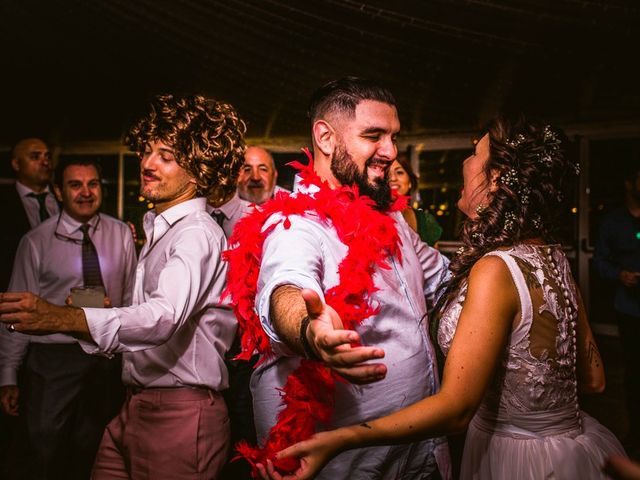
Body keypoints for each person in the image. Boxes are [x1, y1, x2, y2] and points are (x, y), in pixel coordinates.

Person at [257, 115, 627, 480]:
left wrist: (343, 438)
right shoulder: (552, 256)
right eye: (375, 135)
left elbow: (457, 408)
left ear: (495, 177)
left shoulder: (495, 269)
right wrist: (309, 329)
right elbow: (594, 378)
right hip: (573, 448)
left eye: (473, 153)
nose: (465, 163)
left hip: (516, 458)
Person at [0, 93, 246, 479]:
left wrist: (62, 317)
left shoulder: (196, 234)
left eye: (166, 156)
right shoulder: (162, 231)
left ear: (198, 169)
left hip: (178, 414)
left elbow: (163, 318)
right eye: (147, 151)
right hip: (135, 407)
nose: (147, 164)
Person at [224, 77, 451, 479]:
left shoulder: (393, 218)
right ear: (326, 138)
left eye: (394, 137)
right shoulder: (295, 224)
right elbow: (285, 290)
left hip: (422, 450)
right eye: (373, 136)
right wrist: (312, 334)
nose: (391, 151)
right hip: (350, 465)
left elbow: (442, 280)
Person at [0, 157, 136, 479]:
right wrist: (7, 374)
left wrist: (131, 362)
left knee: (99, 448)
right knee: (44, 448)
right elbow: (16, 312)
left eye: (92, 184)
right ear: (58, 192)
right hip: (53, 359)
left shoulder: (121, 234)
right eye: (75, 185)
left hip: (107, 356)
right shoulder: (36, 242)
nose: (86, 192)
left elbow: (132, 299)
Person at [594, 164, 640, 454]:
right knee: (634, 372)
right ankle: (636, 433)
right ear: (629, 183)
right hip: (630, 310)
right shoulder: (613, 221)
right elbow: (600, 261)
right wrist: (619, 275)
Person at [0, 137, 59, 291]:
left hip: (64, 295)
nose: (45, 162)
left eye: (47, 156)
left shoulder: (65, 199)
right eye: (35, 157)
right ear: (16, 164)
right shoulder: (4, 203)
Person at [388, 153, 443, 246]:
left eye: (399, 172)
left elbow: (435, 259)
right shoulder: (368, 220)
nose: (393, 178)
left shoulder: (425, 221)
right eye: (387, 174)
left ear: (410, 182)